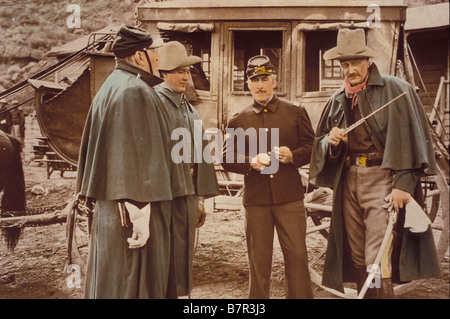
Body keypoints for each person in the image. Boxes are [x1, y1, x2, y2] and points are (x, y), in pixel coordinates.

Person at [309, 28, 441, 298]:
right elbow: (320, 143)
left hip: (382, 180)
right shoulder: (337, 100)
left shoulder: (396, 91)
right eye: (345, 64)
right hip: (348, 182)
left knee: (377, 253)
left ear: (368, 61)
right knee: (357, 252)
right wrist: (331, 143)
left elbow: (411, 140)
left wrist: (403, 184)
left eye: (356, 62)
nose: (350, 69)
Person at [76, 25, 176, 298]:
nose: (158, 58)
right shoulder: (134, 90)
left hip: (114, 209)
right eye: (154, 52)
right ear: (139, 56)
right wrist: (140, 216)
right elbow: (130, 157)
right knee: (132, 286)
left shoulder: (111, 85)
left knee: (112, 285)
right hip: (131, 213)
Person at [221, 55, 315, 299]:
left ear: (275, 81)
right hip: (256, 201)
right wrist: (249, 162)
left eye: (265, 79)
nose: (260, 85)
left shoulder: (295, 112)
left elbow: (312, 147)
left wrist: (292, 155)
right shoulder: (238, 120)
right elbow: (227, 158)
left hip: (289, 198)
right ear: (248, 85)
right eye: (255, 80)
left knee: (296, 256)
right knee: (258, 260)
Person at [153, 41, 218, 298]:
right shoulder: (153, 104)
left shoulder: (189, 109)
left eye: (187, 71)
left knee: (183, 257)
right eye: (179, 71)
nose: (185, 76)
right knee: (161, 259)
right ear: (163, 73)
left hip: (187, 196)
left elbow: (201, 156)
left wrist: (200, 199)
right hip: (163, 196)